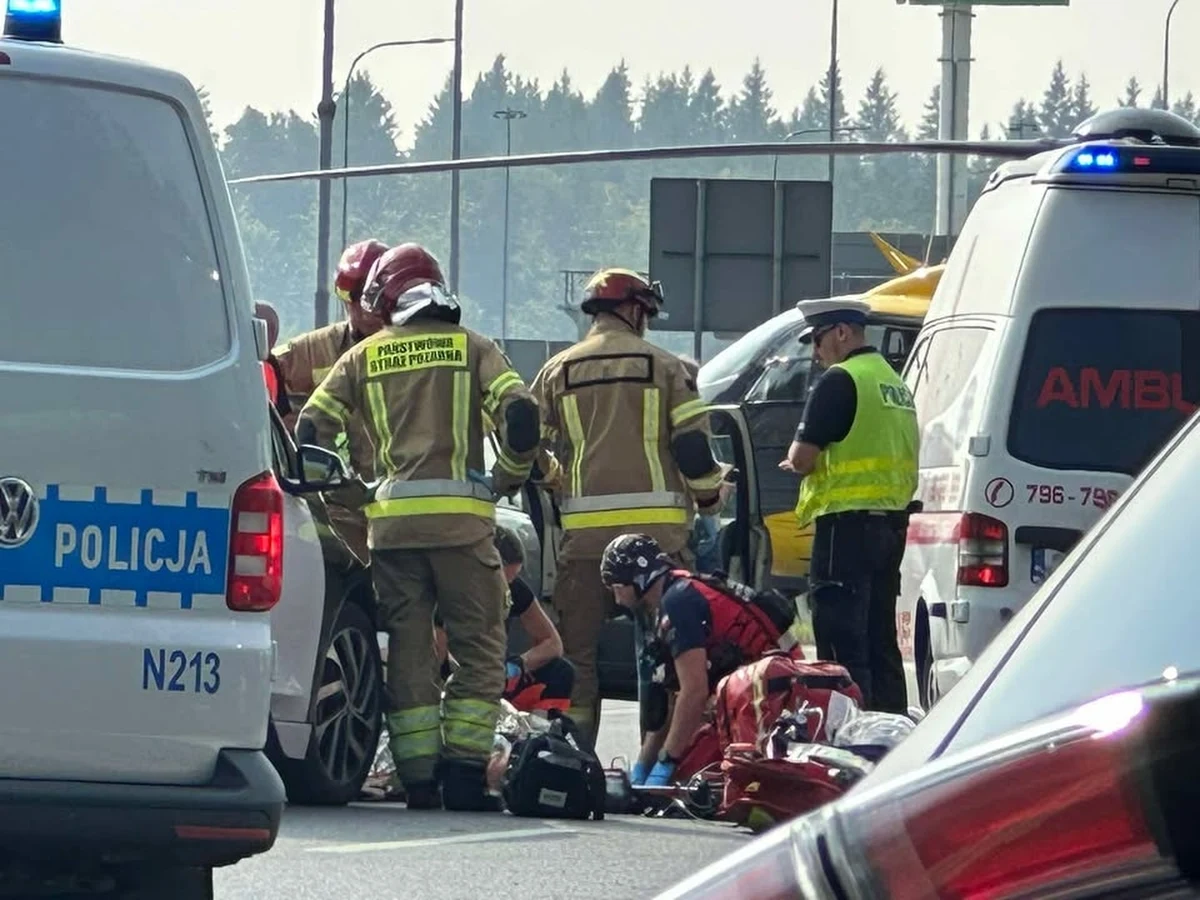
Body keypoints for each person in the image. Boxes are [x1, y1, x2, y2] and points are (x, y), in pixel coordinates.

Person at [297, 242, 540, 811]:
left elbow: (311, 429)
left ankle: (419, 779)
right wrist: (504, 478)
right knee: (478, 647)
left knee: (408, 651)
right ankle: (462, 773)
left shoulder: (361, 357)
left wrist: (354, 492)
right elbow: (522, 415)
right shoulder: (473, 347)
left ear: (384, 299)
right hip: (461, 530)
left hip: (391, 535)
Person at [530, 268, 726, 746]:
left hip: (585, 548)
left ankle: (575, 760)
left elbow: (523, 441)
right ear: (635, 310)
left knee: (577, 661)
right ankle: (654, 767)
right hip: (659, 547)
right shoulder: (665, 368)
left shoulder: (559, 370)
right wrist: (708, 497)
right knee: (666, 658)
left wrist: (554, 477)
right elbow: (694, 450)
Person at [779, 298, 919, 714]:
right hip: (890, 525)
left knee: (842, 641)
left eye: (818, 340)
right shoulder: (893, 382)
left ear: (842, 332)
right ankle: (891, 734)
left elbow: (803, 457)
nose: (815, 353)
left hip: (846, 526)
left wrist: (798, 461)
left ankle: (851, 738)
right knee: (880, 641)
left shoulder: (841, 380)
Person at [599, 533, 800, 787]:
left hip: (777, 693)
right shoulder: (674, 593)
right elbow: (670, 698)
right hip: (765, 684)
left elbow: (694, 692)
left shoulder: (677, 604)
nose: (617, 599)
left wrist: (666, 763)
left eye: (617, 588)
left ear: (640, 580)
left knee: (692, 775)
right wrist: (642, 768)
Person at [276, 238, 389, 564]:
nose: (357, 308)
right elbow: (265, 378)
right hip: (338, 513)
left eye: (364, 298)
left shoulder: (413, 349)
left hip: (399, 511)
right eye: (349, 298)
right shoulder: (313, 350)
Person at [436, 526, 575, 714]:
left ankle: (541, 732)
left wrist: (516, 666)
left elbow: (552, 643)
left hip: (497, 674)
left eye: (514, 578)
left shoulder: (514, 588)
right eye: (504, 578)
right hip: (459, 679)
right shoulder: (451, 590)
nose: (508, 586)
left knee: (561, 671)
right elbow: (437, 653)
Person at [254, 301, 290, 417]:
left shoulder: (273, 364)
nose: (271, 335)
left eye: (273, 329)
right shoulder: (240, 364)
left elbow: (283, 412)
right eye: (266, 328)